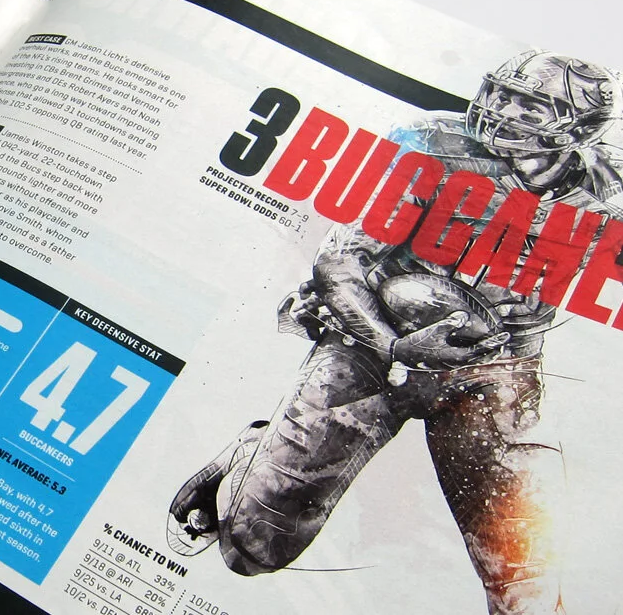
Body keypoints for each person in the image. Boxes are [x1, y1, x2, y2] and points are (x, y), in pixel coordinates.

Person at [167, 52, 623, 615]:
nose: (502, 111)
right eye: (502, 94)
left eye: (530, 105)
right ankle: (250, 452)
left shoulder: (610, 187)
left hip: (492, 371)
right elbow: (340, 262)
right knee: (252, 549)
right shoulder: (433, 143)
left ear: (580, 127)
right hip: (373, 345)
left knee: (526, 583)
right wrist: (395, 345)